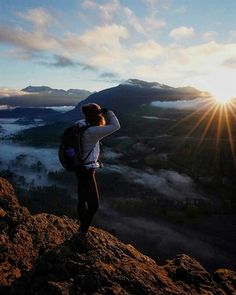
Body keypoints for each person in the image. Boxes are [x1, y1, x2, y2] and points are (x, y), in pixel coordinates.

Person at [75, 103, 120, 238]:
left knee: (82, 200)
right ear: (97, 116)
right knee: (94, 205)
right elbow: (116, 126)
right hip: (88, 171)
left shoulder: (80, 124)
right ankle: (82, 232)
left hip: (79, 168)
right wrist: (109, 112)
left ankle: (81, 227)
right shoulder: (92, 132)